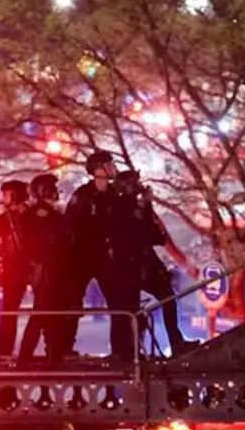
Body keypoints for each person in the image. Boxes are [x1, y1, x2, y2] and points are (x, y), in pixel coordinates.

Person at [111, 171, 199, 357]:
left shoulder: (134, 208)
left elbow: (156, 236)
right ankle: (135, 351)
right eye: (134, 183)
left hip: (143, 265)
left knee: (166, 298)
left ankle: (174, 342)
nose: (138, 186)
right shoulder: (122, 210)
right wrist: (147, 206)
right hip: (133, 267)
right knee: (138, 308)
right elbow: (144, 234)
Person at [65, 152, 125, 359]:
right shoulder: (82, 195)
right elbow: (69, 226)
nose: (113, 168)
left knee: (118, 303)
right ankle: (64, 348)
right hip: (82, 257)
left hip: (105, 258)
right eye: (109, 164)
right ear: (98, 169)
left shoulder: (115, 195)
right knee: (73, 301)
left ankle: (120, 350)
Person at [16, 174, 71, 360]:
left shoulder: (51, 215)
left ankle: (51, 352)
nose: (55, 193)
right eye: (50, 188)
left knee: (49, 313)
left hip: (55, 271)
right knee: (43, 313)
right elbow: (36, 245)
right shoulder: (35, 217)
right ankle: (35, 355)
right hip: (45, 271)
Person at [0, 179, 32, 359]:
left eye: (6, 193)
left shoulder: (32, 216)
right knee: (9, 312)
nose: (3, 197)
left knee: (41, 312)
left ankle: (27, 352)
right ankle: (5, 352)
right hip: (12, 268)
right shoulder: (3, 219)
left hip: (31, 266)